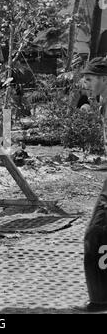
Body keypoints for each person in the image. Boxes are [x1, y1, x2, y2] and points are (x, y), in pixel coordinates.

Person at [80, 57, 107, 312]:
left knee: (94, 236)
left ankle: (99, 301)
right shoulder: (102, 103)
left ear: (103, 79)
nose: (84, 84)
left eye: (89, 79)